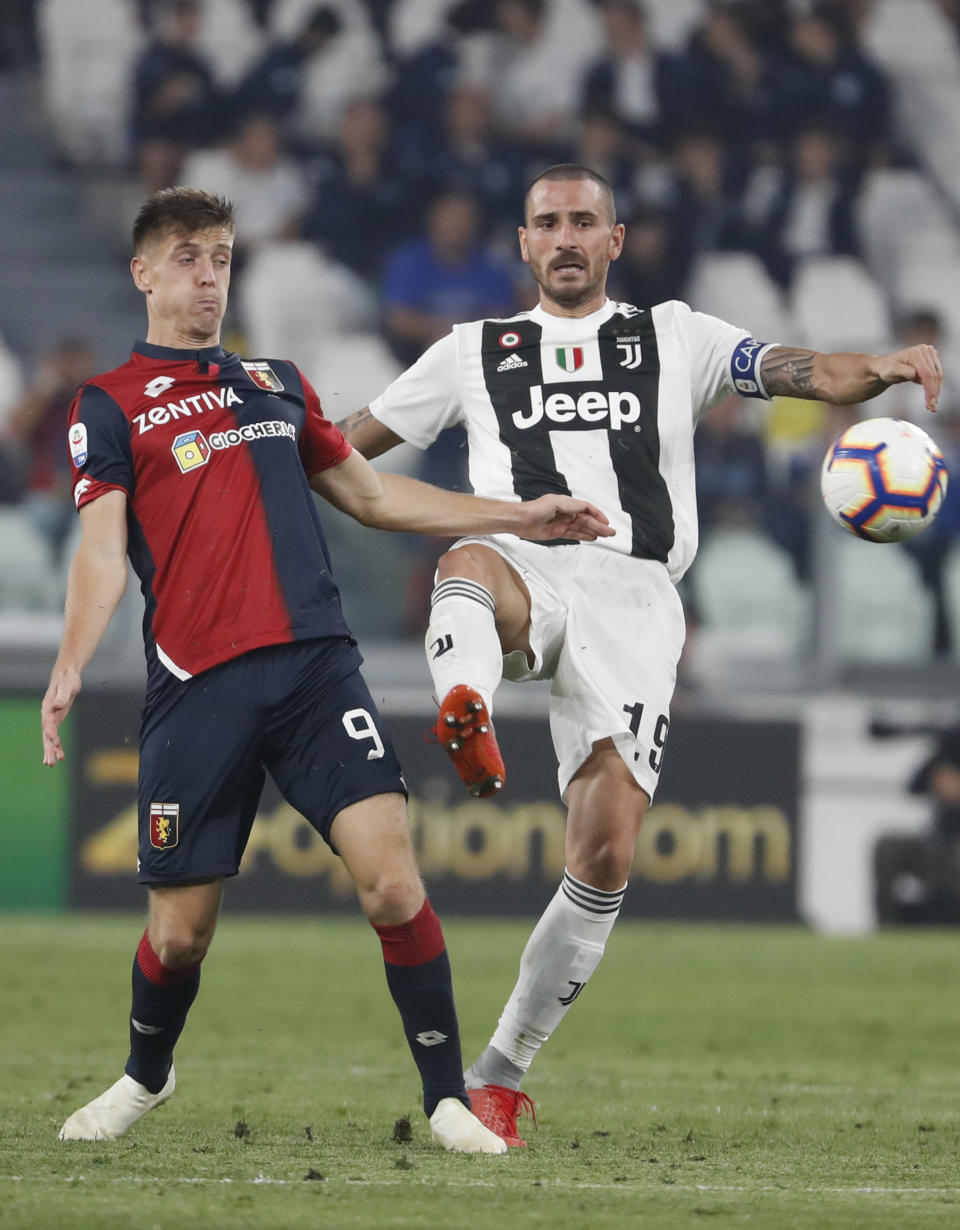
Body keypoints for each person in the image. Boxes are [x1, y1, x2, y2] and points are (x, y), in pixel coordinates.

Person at [336, 163, 943, 1146]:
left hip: (639, 595)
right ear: (523, 245)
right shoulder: (470, 352)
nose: (567, 236)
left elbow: (805, 371)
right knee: (469, 559)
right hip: (530, 556)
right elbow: (346, 448)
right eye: (548, 223)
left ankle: (498, 1075)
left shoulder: (676, 337)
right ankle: (466, 705)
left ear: (615, 240)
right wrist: (258, 452)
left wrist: (887, 362)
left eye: (585, 221)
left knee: (605, 852)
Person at [43, 186, 612, 1151]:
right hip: (198, 685)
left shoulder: (275, 382)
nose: (207, 276)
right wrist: (68, 668)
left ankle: (445, 1098)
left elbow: (373, 495)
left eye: (221, 257)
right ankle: (146, 1074)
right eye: (186, 257)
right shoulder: (109, 405)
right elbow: (101, 551)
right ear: (143, 272)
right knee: (180, 936)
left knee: (393, 884)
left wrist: (518, 516)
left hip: (316, 672)